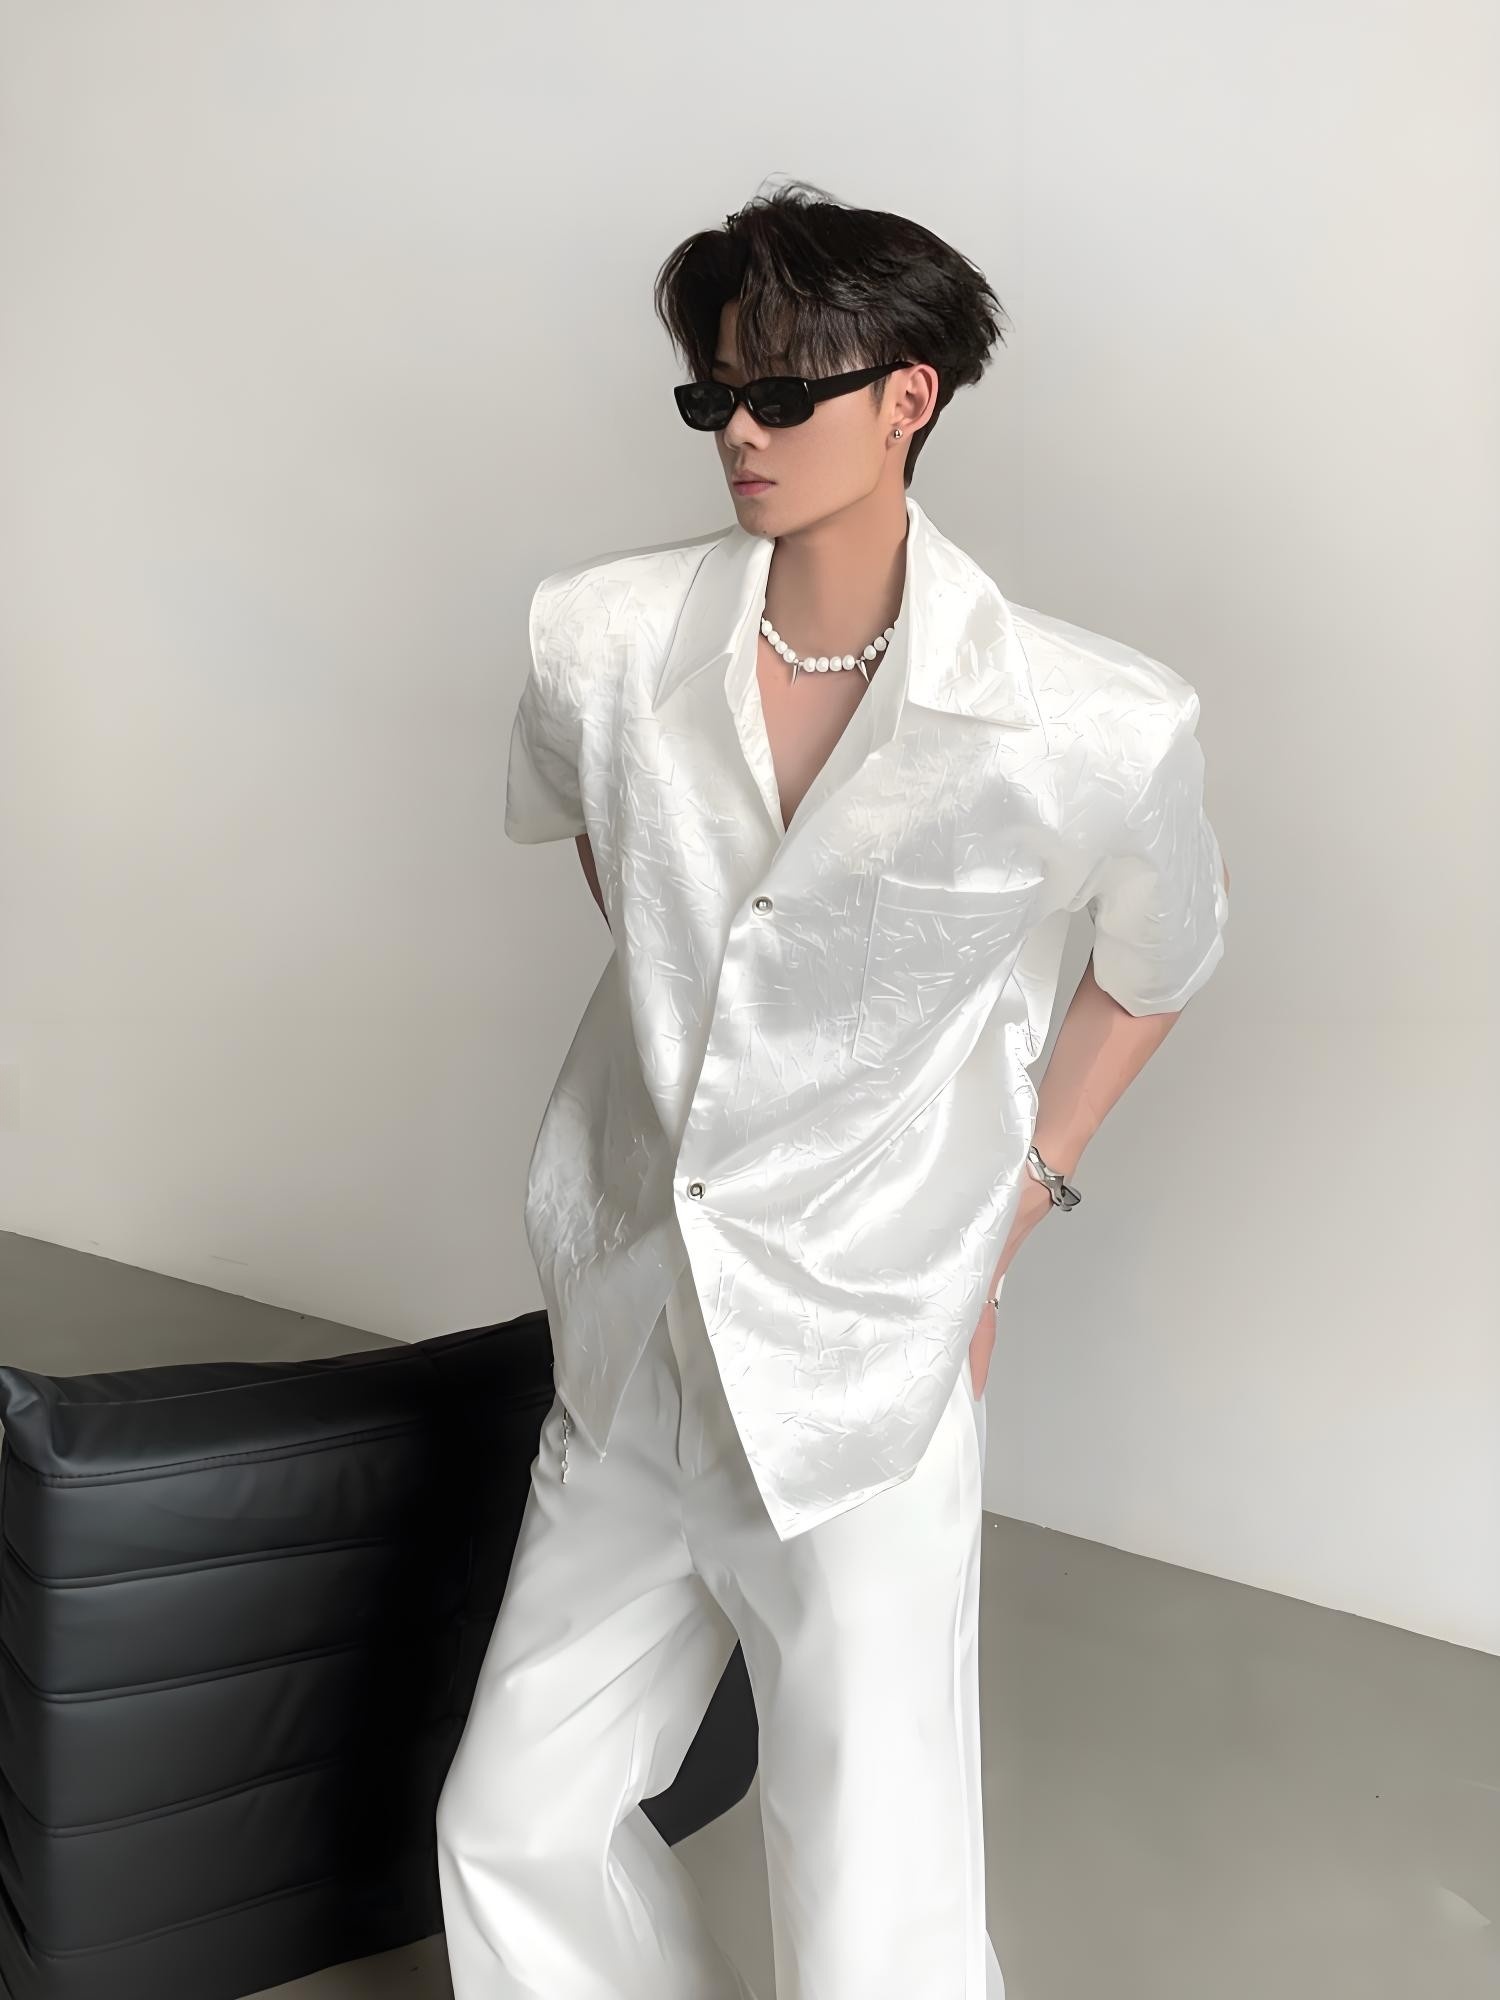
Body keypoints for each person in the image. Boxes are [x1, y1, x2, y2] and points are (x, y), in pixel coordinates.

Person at [436, 178, 1231, 2000]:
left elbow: (1157, 964)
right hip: (637, 1333)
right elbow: (631, 874)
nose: (741, 431)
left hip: (867, 1357)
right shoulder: (597, 639)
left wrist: (1007, 1212)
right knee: (509, 1826)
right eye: (715, 394)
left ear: (909, 398)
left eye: (784, 392)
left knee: (876, 1902)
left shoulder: (1093, 725)